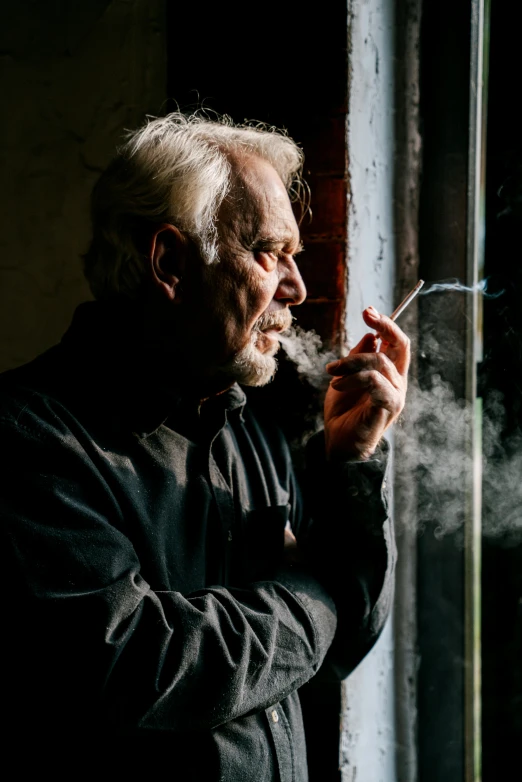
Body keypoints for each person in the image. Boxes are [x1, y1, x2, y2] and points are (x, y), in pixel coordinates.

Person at [0, 113, 409, 780]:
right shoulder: (30, 439)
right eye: (269, 252)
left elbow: (343, 648)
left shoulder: (252, 424)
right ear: (169, 262)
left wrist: (351, 463)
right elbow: (141, 666)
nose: (296, 289)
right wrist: (314, 599)